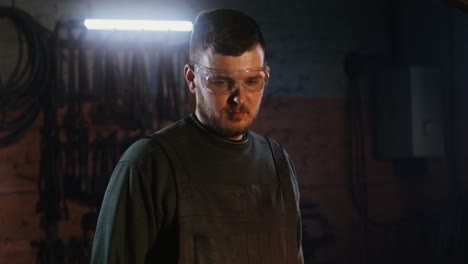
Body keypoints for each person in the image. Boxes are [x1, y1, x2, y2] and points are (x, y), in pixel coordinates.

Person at [91, 8, 304, 263]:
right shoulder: (149, 165)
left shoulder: (277, 163)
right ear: (192, 79)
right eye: (221, 82)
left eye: (252, 81)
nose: (239, 98)